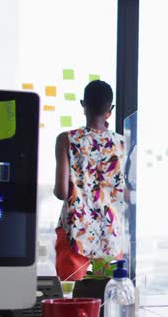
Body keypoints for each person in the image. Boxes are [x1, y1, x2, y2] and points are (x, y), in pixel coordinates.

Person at [53, 80, 126, 281]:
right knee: (108, 299)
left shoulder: (67, 139)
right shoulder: (122, 143)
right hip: (110, 233)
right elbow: (125, 192)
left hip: (76, 230)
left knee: (72, 300)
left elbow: (61, 192)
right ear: (109, 110)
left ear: (83, 105)